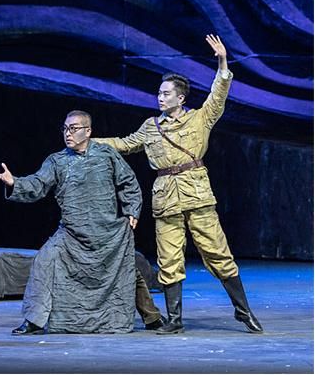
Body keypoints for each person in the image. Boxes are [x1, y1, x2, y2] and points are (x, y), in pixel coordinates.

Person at [93, 35, 263, 335]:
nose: (160, 97)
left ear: (180, 98)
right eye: (159, 93)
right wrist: (90, 142)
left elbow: (218, 95)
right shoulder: (151, 126)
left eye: (166, 93)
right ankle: (174, 319)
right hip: (166, 199)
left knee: (218, 253)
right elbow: (125, 143)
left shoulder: (200, 119)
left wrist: (222, 62)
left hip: (197, 195)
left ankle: (243, 310)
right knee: (169, 259)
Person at [0, 110, 144, 334]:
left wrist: (132, 209)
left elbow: (128, 181)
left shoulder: (106, 154)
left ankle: (150, 317)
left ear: (88, 131)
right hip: (72, 233)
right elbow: (38, 184)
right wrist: (14, 183)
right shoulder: (57, 161)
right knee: (45, 261)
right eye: (65, 129)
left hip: (106, 233)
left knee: (127, 268)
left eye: (73, 129)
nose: (68, 133)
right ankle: (34, 320)